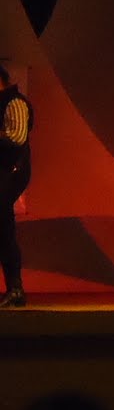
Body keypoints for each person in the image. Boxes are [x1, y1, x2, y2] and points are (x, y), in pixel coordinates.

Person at [0, 61, 33, 310]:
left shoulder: (15, 102)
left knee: (3, 226)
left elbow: (17, 136)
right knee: (3, 227)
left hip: (11, 173)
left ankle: (16, 288)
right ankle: (15, 288)